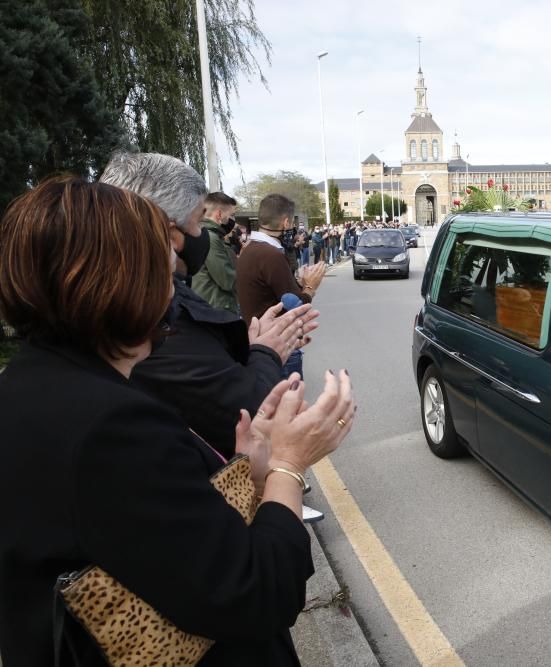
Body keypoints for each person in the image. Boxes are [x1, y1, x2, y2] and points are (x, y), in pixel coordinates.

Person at [0, 177, 355, 666]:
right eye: (163, 270)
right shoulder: (110, 426)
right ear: (123, 283)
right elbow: (257, 594)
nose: (173, 285)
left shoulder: (33, 382)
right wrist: (289, 467)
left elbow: (153, 533)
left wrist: (247, 472)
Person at [101, 152, 319, 458]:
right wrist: (266, 352)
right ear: (165, 233)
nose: (198, 234)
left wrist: (251, 345)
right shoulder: (145, 322)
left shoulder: (154, 307)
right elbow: (242, 412)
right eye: (196, 220)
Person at [238, 194, 326, 378]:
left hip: (259, 340)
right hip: (278, 344)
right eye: (291, 224)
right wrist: (310, 287)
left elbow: (273, 291)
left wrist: (298, 283)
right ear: (285, 222)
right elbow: (295, 305)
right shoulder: (271, 255)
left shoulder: (251, 249)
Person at [192, 191, 240, 315]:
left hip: (211, 305)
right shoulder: (211, 238)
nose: (233, 220)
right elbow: (227, 280)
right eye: (232, 215)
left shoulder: (205, 234)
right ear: (219, 214)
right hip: (217, 307)